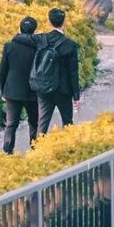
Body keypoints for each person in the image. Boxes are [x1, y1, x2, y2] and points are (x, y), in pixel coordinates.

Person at [34, 7, 81, 136]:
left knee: (42, 123)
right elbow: (73, 72)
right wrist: (76, 96)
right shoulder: (70, 44)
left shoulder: (41, 40)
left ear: (49, 22)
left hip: (44, 88)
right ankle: (67, 149)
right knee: (67, 122)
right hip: (63, 90)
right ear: (64, 22)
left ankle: (38, 149)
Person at [0, 16, 40, 154]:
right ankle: (35, 147)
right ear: (34, 30)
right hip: (32, 90)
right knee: (34, 121)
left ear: (20, 28)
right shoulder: (38, 47)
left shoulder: (9, 46)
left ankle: (8, 150)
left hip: (12, 90)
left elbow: (3, 70)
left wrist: (3, 90)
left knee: (11, 123)